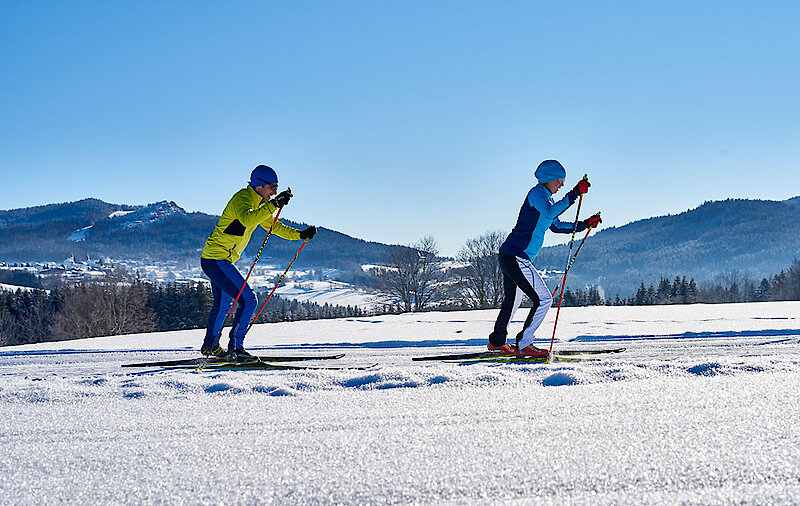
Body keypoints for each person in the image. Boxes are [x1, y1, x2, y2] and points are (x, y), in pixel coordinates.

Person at [199, 165, 317, 361]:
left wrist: (299, 235)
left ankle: (210, 346)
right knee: (249, 300)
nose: (274, 192)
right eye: (272, 187)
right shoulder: (242, 199)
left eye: (277, 189)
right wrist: (274, 205)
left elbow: (274, 226)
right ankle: (236, 350)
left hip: (217, 259)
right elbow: (246, 219)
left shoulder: (259, 206)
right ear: (260, 185)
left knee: (224, 303)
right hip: (215, 259)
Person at [488, 160, 601, 357]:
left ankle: (498, 342)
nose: (562, 185)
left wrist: (584, 224)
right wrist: (574, 194)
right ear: (549, 178)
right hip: (516, 256)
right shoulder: (537, 194)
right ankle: (525, 344)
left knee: (513, 301)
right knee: (544, 299)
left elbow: (556, 225)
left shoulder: (546, 200)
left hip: (511, 255)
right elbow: (550, 212)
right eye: (560, 180)